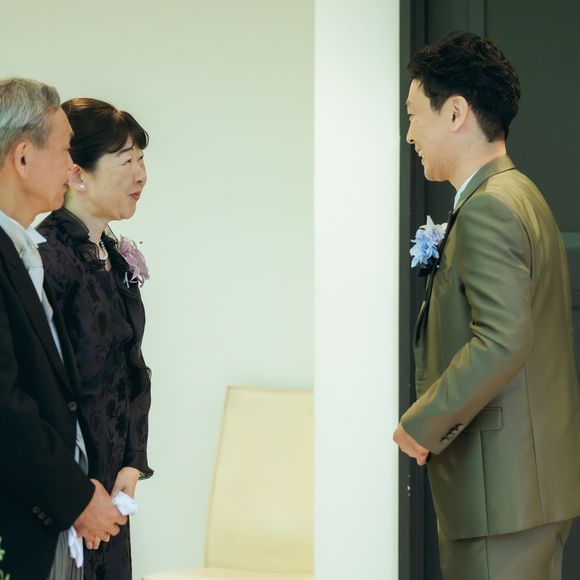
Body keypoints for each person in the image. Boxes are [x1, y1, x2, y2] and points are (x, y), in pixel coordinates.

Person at [393, 32, 580, 580]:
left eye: (413, 116)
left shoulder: (489, 208)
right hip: (519, 494)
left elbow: (502, 339)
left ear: (455, 113)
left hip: (501, 497)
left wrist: (422, 424)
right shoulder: (519, 193)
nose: (409, 134)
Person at [0, 78, 126, 579]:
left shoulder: (22, 249)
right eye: (66, 149)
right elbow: (4, 405)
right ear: (23, 157)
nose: (73, 166)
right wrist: (74, 496)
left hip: (50, 514)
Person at [37, 97, 153, 579]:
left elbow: (132, 368)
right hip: (65, 495)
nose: (141, 175)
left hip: (112, 488)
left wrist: (132, 462)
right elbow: (43, 389)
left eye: (142, 159)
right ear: (78, 174)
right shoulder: (46, 257)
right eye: (126, 161)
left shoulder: (112, 255)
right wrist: (78, 494)